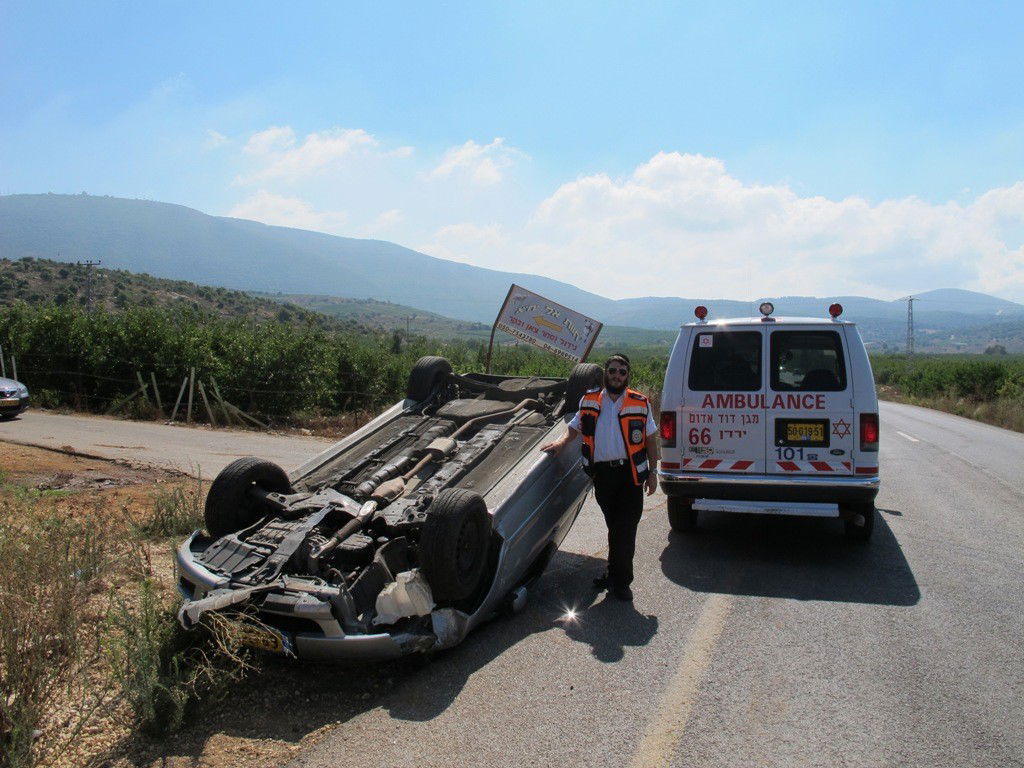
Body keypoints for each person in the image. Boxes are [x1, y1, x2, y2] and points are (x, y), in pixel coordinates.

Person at [540, 354, 658, 601]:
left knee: (625, 528)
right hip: (603, 475)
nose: (617, 375)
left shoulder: (640, 402)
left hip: (630, 475)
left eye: (622, 372)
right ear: (605, 373)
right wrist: (561, 442)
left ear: (628, 375)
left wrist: (653, 473)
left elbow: (650, 439)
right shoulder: (589, 400)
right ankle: (613, 574)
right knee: (615, 526)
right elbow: (575, 427)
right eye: (613, 370)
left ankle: (622, 583)